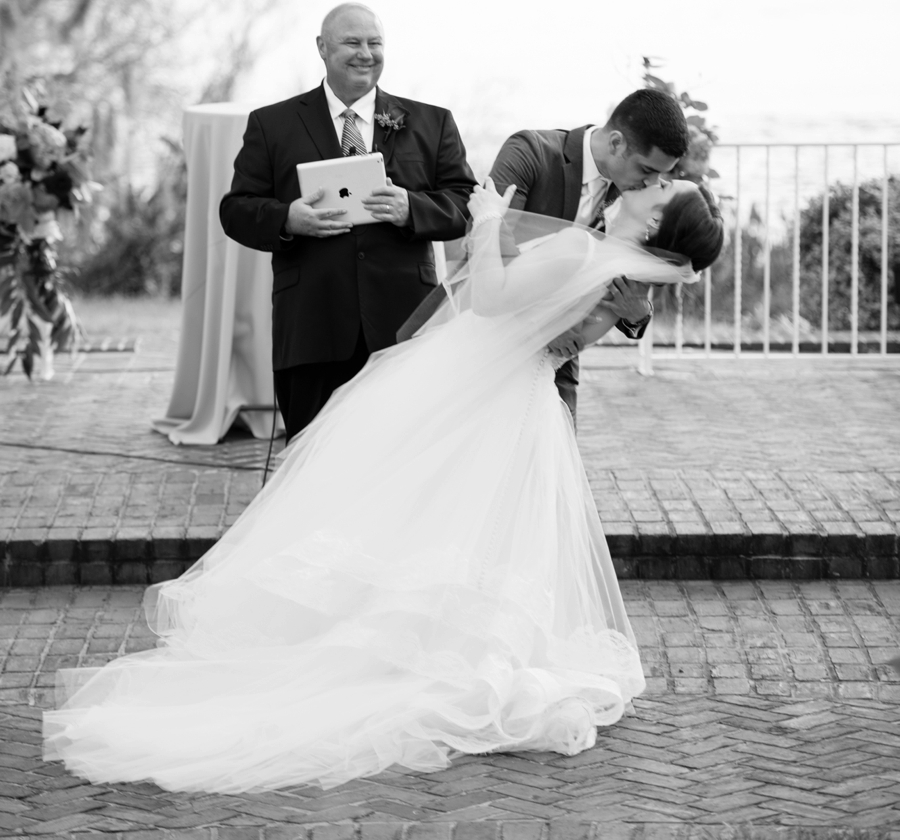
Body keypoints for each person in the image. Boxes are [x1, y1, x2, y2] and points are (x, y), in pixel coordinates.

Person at [43, 174, 723, 793]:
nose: (656, 180)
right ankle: (435, 652)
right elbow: (567, 335)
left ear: (659, 214)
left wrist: (487, 220)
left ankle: (390, 656)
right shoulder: (620, 276)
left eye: (667, 185)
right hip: (520, 399)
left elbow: (487, 298)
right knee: (456, 529)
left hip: (479, 386)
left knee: (409, 512)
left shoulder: (588, 256)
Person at [219, 3, 475, 440]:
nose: (365, 53)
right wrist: (288, 219)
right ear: (322, 47)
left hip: (403, 323)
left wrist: (412, 208)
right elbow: (236, 209)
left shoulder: (431, 122)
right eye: (352, 42)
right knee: (311, 456)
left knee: (400, 454)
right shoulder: (272, 123)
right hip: (313, 326)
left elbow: (465, 203)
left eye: (375, 43)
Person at [488, 88, 692, 425]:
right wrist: (540, 327)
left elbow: (634, 284)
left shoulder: (636, 202)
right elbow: (490, 245)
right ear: (616, 143)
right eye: (646, 169)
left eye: (661, 175)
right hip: (488, 346)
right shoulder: (530, 151)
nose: (652, 183)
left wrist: (638, 314)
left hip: (555, 367)